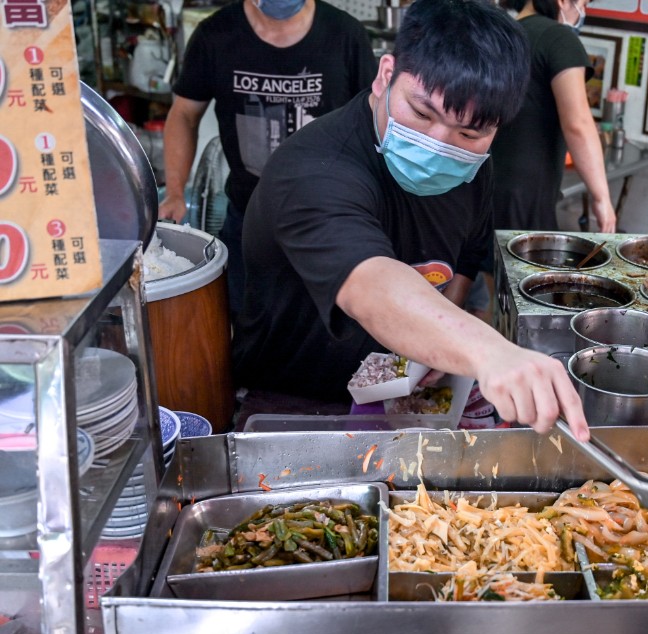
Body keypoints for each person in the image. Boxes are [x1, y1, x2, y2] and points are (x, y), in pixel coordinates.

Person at [232, 0, 591, 440]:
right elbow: (369, 283)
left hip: (406, 402)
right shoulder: (312, 169)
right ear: (386, 76)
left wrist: (435, 352)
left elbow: (463, 261)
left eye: (468, 132)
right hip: (297, 407)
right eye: (421, 113)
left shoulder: (473, 168)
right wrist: (488, 350)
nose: (438, 143)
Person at [160, 0, 376, 319]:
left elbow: (374, 120)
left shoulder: (344, 34)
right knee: (250, 329)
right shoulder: (216, 35)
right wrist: (176, 192)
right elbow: (184, 116)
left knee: (329, 334)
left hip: (330, 221)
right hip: (247, 222)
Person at [490, 0, 617, 233]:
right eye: (583, 4)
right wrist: (602, 198)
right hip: (525, 195)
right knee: (516, 266)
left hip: (483, 184)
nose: (583, 13)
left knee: (486, 266)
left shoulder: (500, 34)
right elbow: (578, 123)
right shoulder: (559, 39)